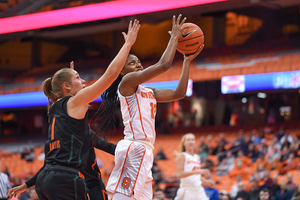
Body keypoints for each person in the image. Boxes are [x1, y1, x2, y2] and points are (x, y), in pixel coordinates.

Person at [24, 19, 139, 200]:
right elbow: (110, 75)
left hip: (46, 180)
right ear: (67, 87)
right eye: (78, 77)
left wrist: (72, 81)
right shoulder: (73, 103)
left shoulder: (54, 107)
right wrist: (128, 45)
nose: (83, 81)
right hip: (65, 178)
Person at [99, 15, 204, 200]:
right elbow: (163, 65)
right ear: (122, 71)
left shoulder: (149, 90)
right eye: (132, 63)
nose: (138, 64)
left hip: (146, 150)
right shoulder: (126, 82)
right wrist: (174, 37)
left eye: (138, 61)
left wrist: (186, 62)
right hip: (135, 146)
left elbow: (178, 93)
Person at [7, 129, 116, 200]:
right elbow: (46, 168)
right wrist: (25, 185)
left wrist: (131, 151)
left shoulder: (85, 133)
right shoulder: (50, 144)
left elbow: (111, 148)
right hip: (71, 189)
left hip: (93, 186)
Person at [174, 133, 210, 200]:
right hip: (187, 189)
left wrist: (205, 181)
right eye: (188, 140)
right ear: (184, 143)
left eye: (192, 140)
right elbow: (179, 174)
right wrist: (196, 171)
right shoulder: (182, 156)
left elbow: (196, 176)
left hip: (199, 189)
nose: (191, 141)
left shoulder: (197, 157)